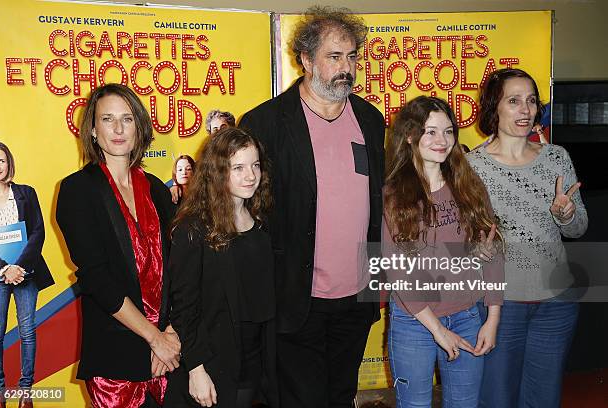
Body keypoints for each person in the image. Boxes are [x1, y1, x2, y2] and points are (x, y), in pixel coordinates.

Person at [239, 6, 385, 407]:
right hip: (295, 298)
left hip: (356, 297)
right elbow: (245, 209)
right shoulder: (265, 123)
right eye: (334, 57)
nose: (347, 67)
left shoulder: (371, 120)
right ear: (305, 59)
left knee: (341, 396)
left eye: (352, 56)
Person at [467, 68, 588, 408]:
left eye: (531, 101)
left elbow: (578, 229)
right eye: (514, 101)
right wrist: (475, 249)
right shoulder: (471, 167)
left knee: (544, 399)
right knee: (496, 399)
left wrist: (566, 215)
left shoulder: (556, 158)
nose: (525, 110)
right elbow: (461, 244)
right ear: (494, 107)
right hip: (499, 306)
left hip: (557, 304)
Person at [56, 83, 180, 408]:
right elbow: (97, 279)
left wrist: (171, 333)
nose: (118, 128)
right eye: (107, 119)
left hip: (168, 356)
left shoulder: (157, 190)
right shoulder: (76, 191)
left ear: (139, 126)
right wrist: (154, 339)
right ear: (93, 130)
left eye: (127, 118)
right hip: (117, 361)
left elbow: (181, 267)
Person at [383, 96, 503, 407]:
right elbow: (399, 274)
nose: (442, 141)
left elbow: (492, 249)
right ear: (411, 136)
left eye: (448, 131)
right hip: (414, 321)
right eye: (431, 132)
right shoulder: (394, 194)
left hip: (466, 316)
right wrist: (438, 331)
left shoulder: (468, 184)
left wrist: (492, 318)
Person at [164, 127, 277, 408]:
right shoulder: (193, 228)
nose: (250, 175)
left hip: (256, 361)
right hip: (212, 364)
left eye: (255, 165)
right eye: (238, 167)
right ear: (217, 171)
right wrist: (196, 369)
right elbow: (184, 308)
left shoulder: (262, 222)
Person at [0, 141, 54, 408]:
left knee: (27, 331)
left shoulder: (26, 193)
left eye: (1, 160)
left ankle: (25, 391)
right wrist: (3, 269)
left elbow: (38, 232)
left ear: (9, 163)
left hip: (25, 273)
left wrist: (18, 267)